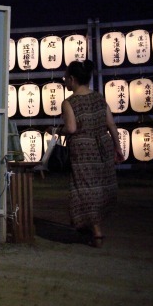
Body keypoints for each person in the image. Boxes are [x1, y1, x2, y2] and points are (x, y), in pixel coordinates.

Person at [59, 59, 124, 248]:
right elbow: (110, 123)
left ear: (72, 79)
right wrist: (117, 147)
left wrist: (54, 131)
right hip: (102, 145)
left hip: (83, 148)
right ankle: (91, 225)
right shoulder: (98, 97)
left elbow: (71, 128)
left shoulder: (69, 102)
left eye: (65, 78)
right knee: (100, 186)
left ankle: (96, 232)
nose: (65, 81)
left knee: (84, 188)